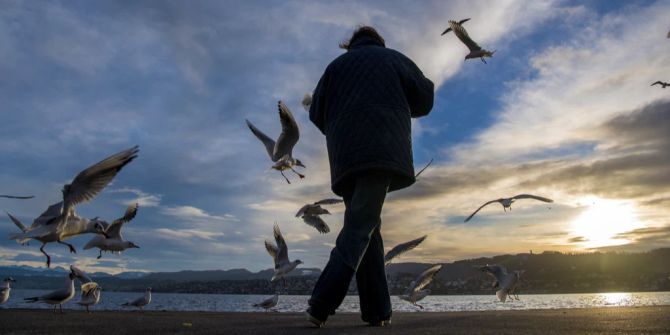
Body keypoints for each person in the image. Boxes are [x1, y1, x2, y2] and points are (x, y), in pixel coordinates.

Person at [306, 26, 434, 327]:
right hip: (381, 150)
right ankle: (321, 302)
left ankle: (377, 311)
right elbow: (425, 99)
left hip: (345, 157)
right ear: (379, 41)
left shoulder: (334, 68)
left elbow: (315, 113)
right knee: (362, 223)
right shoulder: (393, 59)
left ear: (350, 44)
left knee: (366, 224)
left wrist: (340, 129)